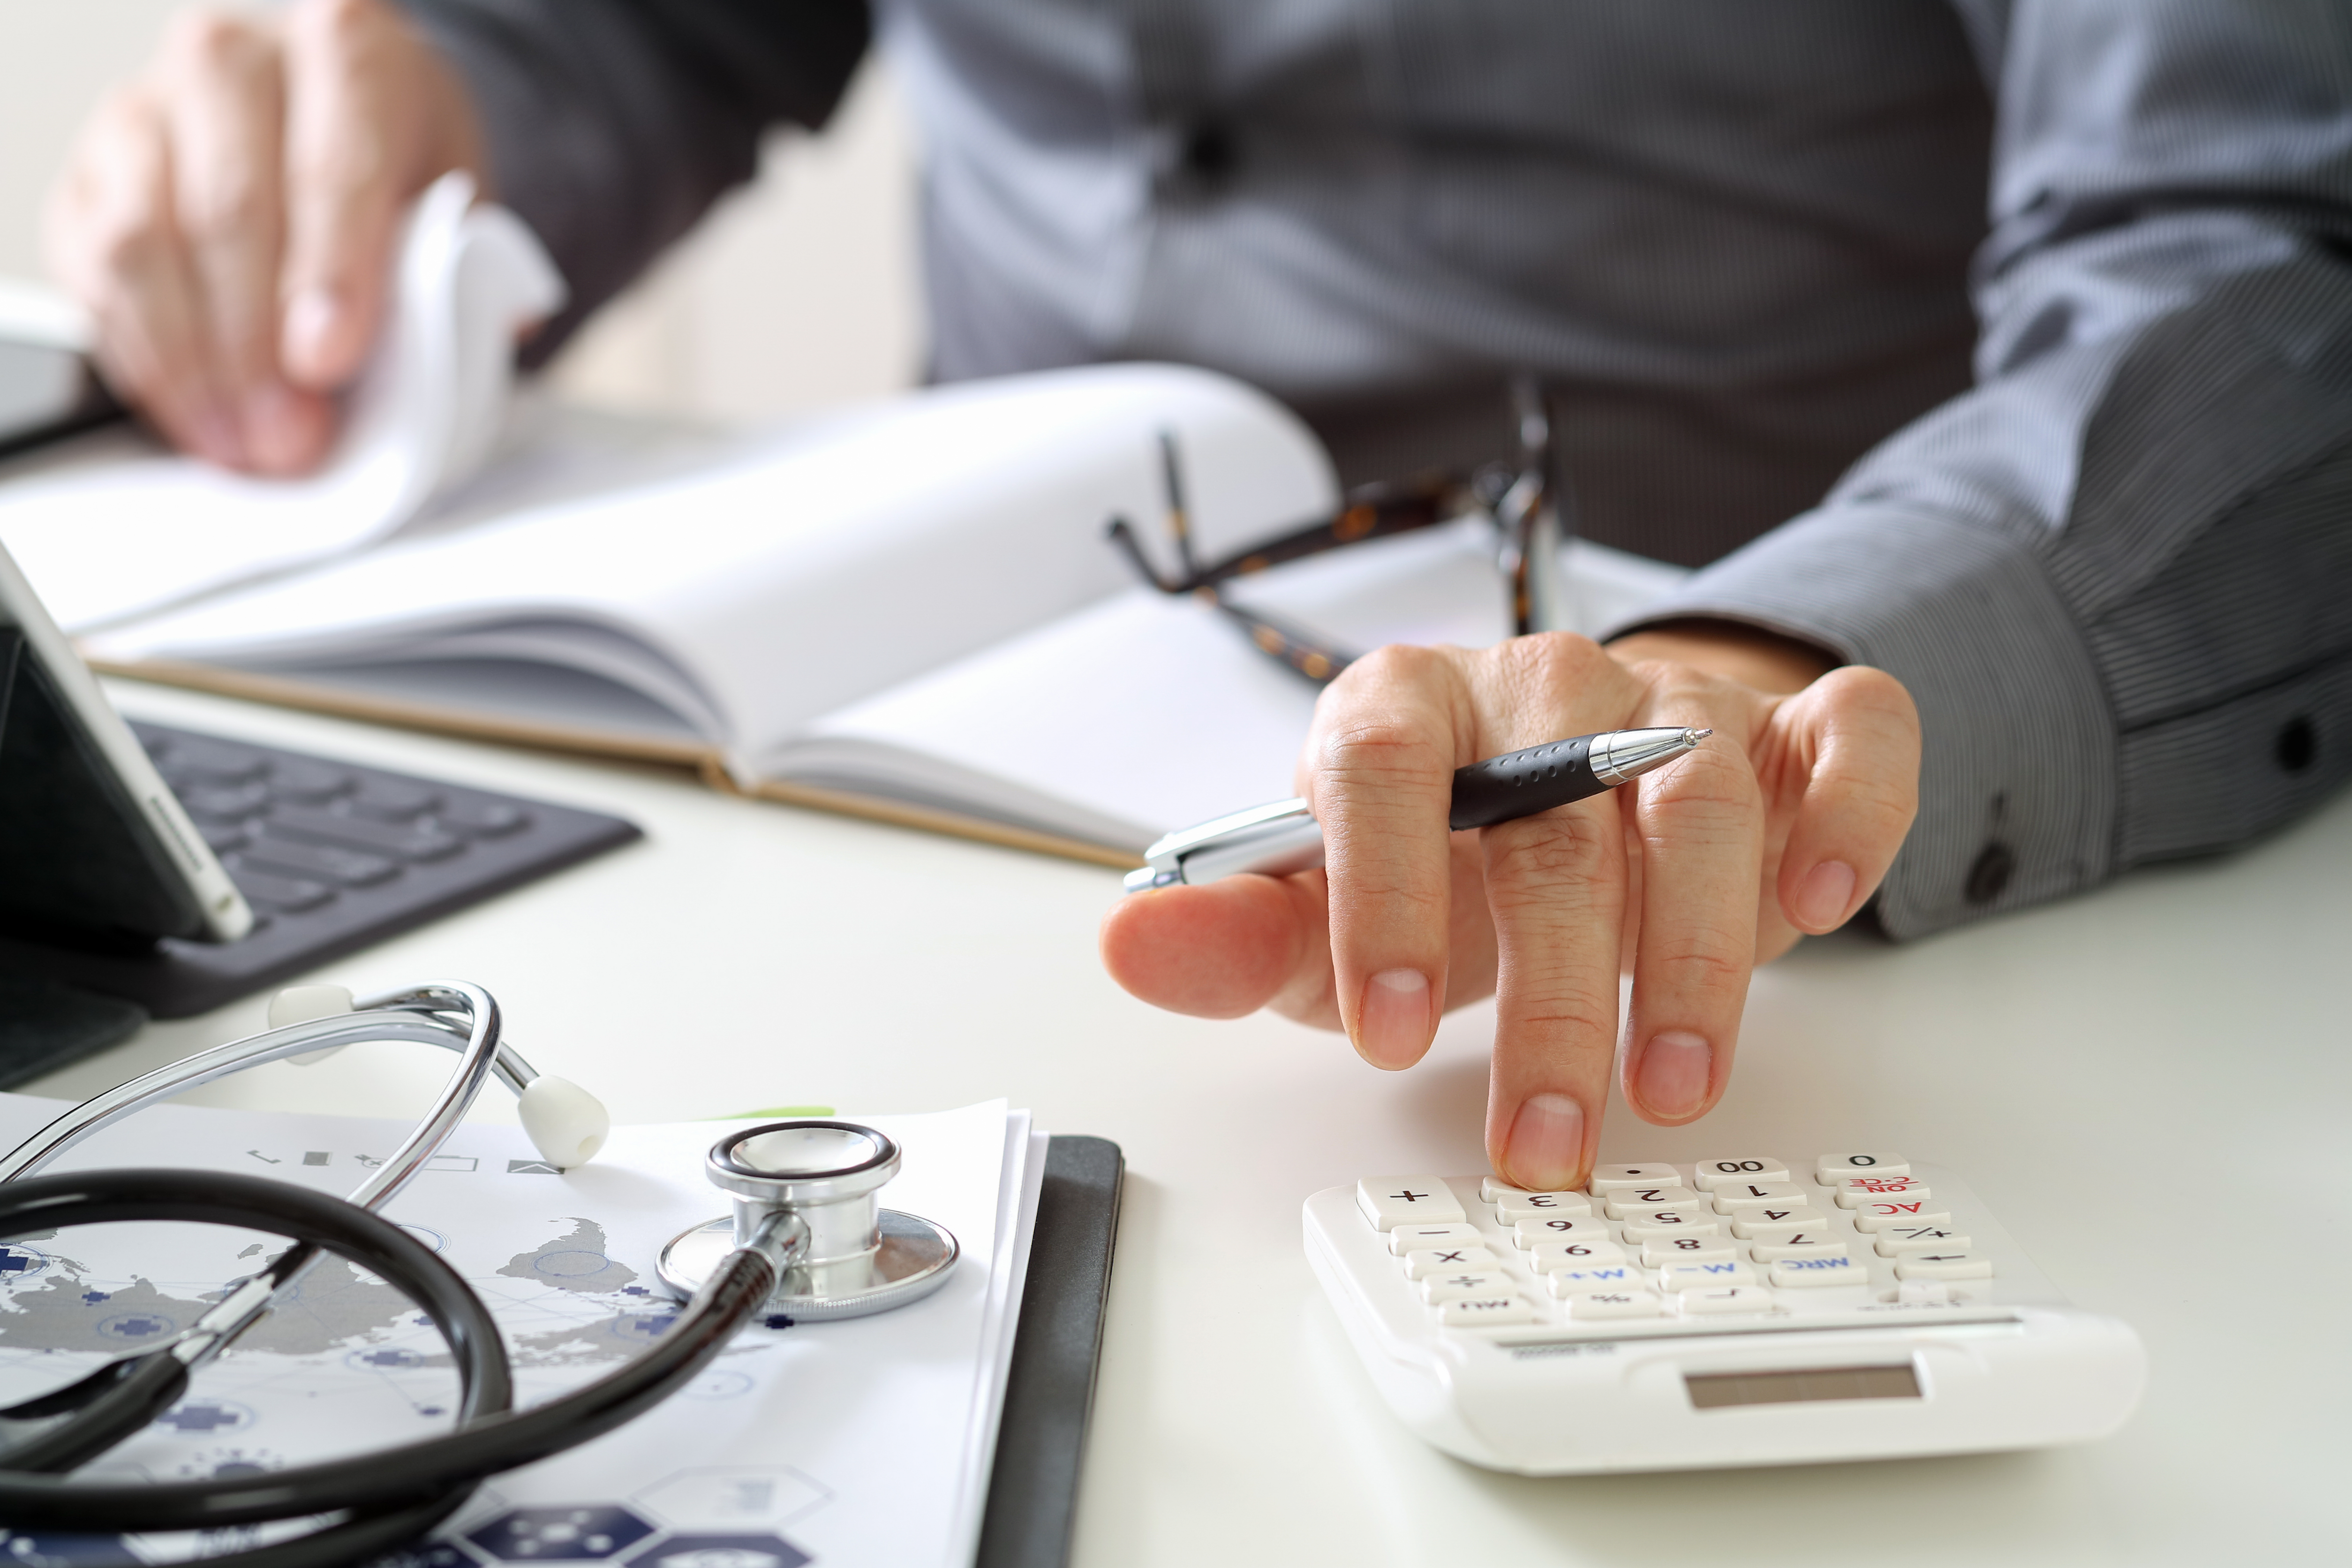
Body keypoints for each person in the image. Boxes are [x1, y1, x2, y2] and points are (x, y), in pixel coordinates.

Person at [45, 1, 2352, 1190]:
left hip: (1762, 849)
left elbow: (2260, 242)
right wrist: (417, 94)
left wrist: (1761, 658)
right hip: (909, 784)